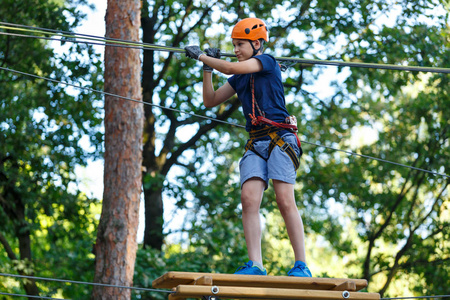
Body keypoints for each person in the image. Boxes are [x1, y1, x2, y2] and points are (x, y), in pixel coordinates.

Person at [185, 17, 311, 277]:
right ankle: (256, 265)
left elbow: (231, 67)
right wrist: (207, 70)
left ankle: (301, 264)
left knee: (284, 199)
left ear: (257, 44)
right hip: (256, 142)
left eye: (240, 44)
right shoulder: (239, 77)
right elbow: (210, 100)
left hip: (279, 137)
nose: (236, 49)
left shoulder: (266, 62)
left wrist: (202, 58)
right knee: (248, 199)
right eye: (234, 45)